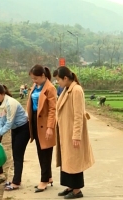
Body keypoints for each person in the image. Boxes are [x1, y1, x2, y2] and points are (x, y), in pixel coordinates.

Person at [54, 67, 95, 199]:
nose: (57, 82)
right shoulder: (67, 89)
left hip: (72, 132)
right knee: (67, 160)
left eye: (58, 80)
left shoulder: (76, 90)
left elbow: (78, 115)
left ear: (65, 78)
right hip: (65, 131)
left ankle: (77, 190)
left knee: (74, 161)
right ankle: (70, 186)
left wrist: (76, 135)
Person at [0, 83, 30, 191]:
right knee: (15, 154)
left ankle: (16, 182)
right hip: (15, 129)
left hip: (23, 128)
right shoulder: (0, 103)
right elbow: (1, 119)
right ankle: (15, 180)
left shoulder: (10, 103)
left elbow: (9, 123)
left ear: (2, 93)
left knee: (18, 155)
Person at [26, 64, 57, 193]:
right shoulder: (36, 86)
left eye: (36, 78)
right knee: (40, 150)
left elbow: (52, 109)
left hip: (45, 123)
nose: (34, 81)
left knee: (45, 152)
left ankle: (44, 179)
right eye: (32, 79)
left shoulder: (50, 88)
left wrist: (50, 127)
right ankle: (48, 177)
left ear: (43, 76)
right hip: (35, 120)